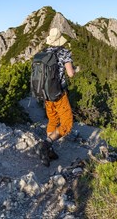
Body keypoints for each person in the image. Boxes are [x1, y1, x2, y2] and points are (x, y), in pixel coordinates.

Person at [38, 28, 76, 167]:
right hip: (59, 94)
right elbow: (70, 73)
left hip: (46, 94)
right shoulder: (64, 52)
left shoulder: (44, 53)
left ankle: (49, 151)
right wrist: (76, 70)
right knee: (67, 123)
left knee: (53, 120)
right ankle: (45, 144)